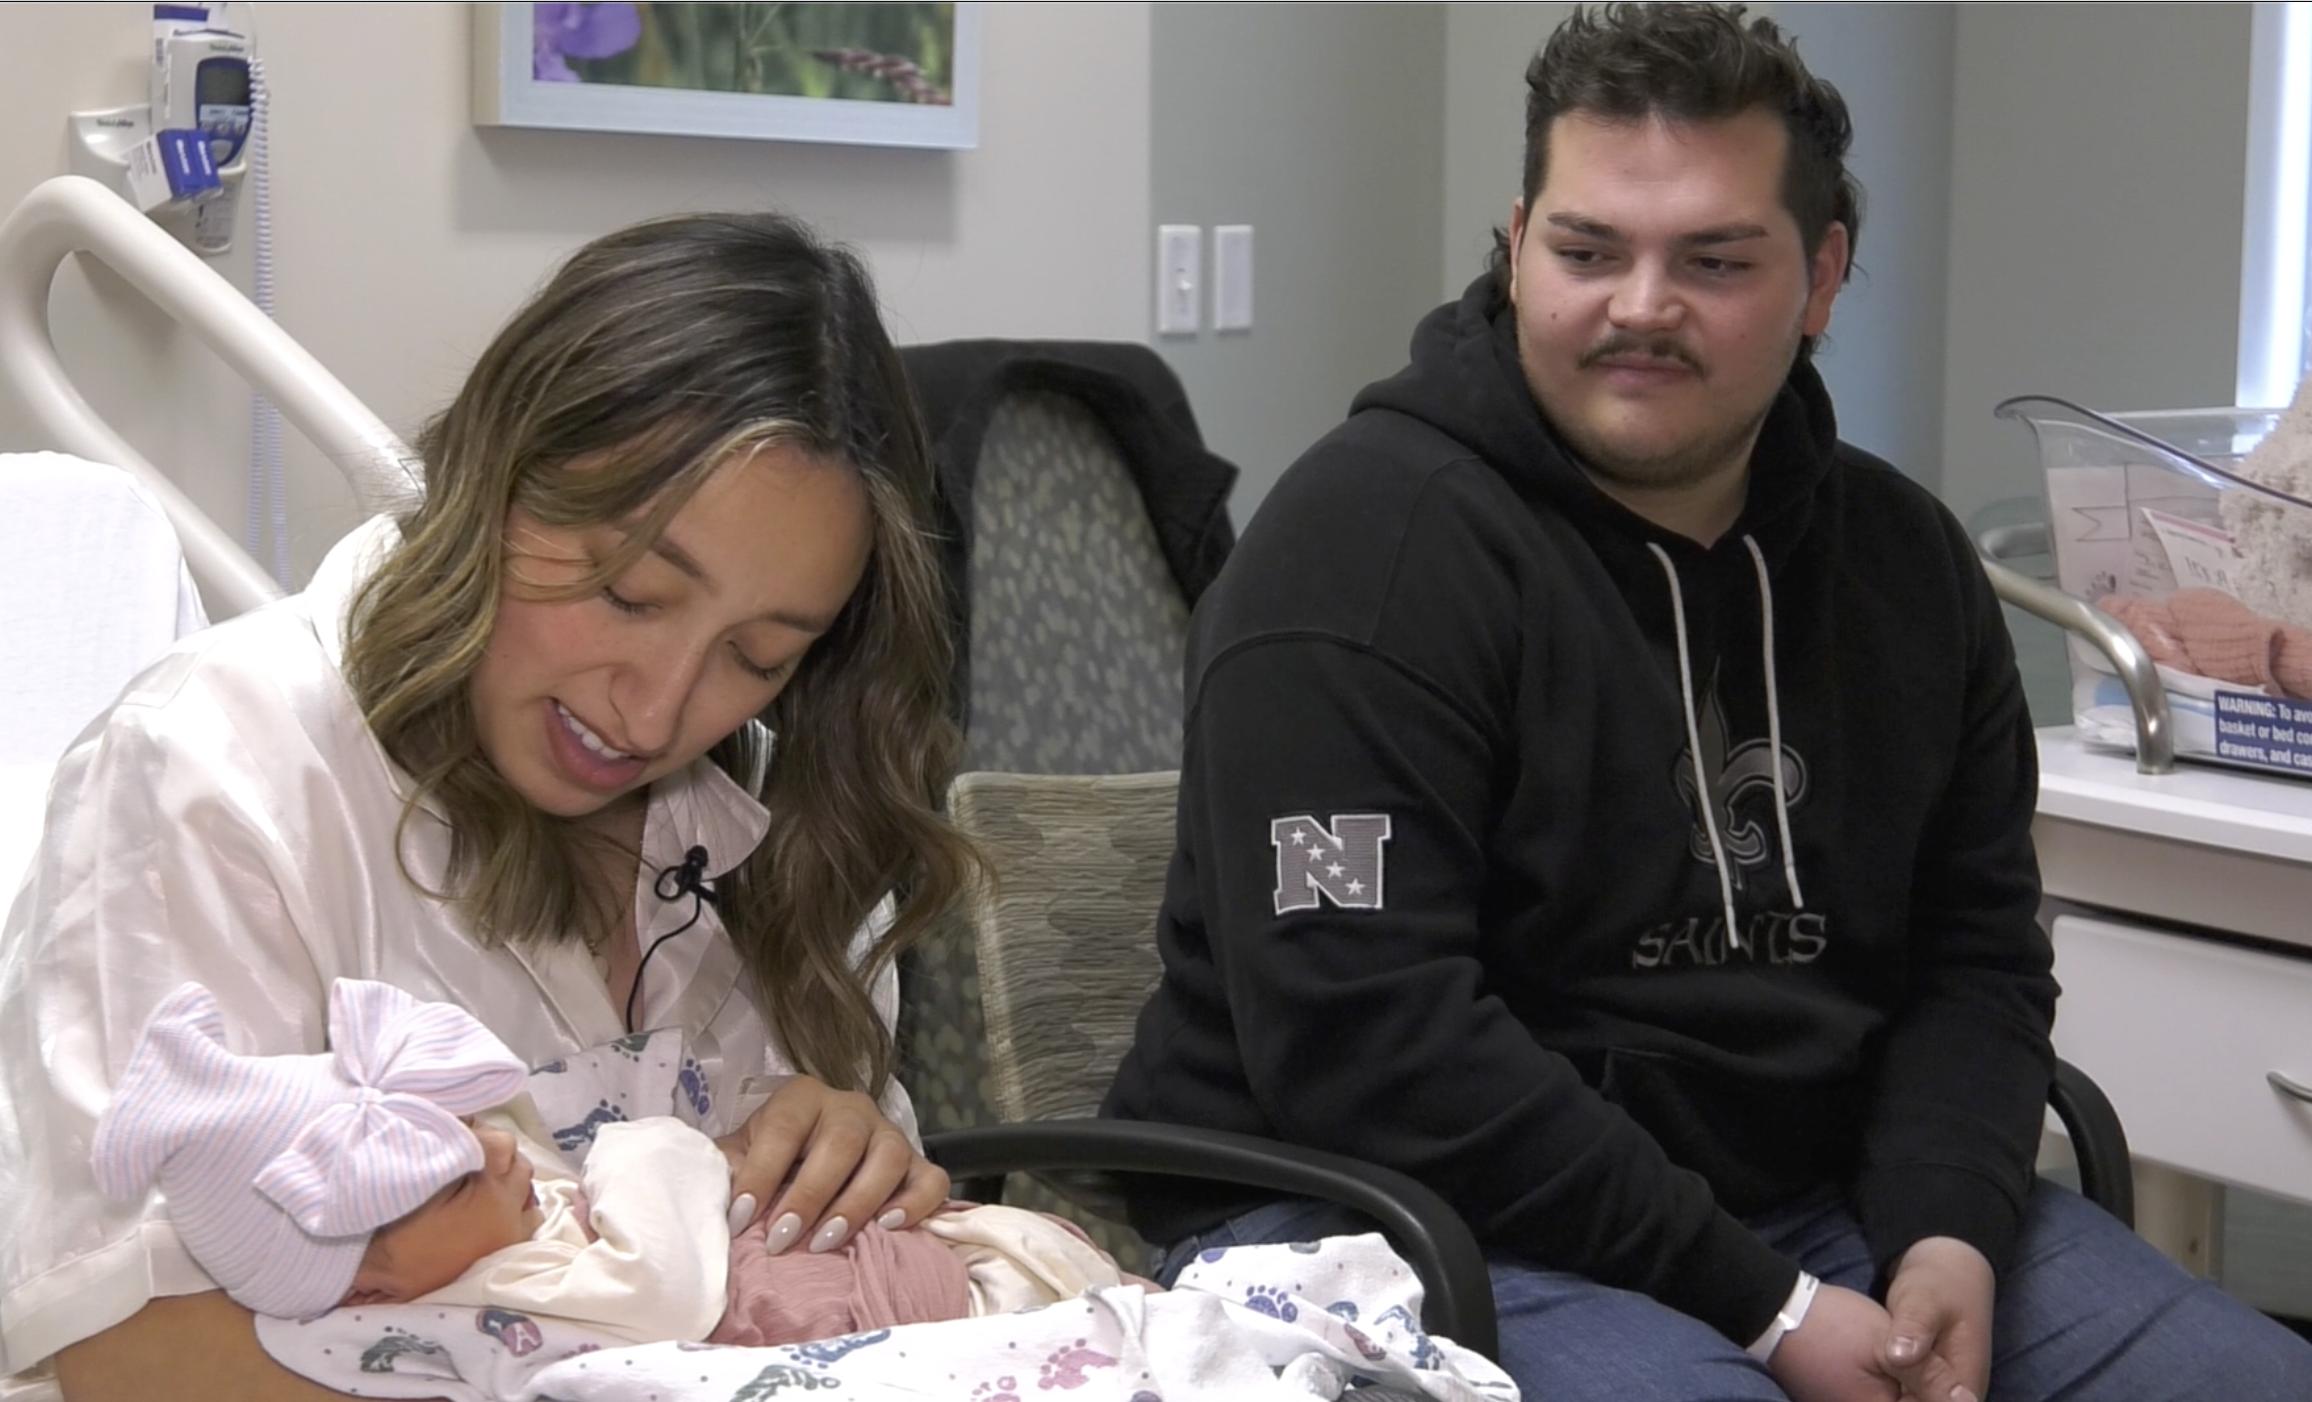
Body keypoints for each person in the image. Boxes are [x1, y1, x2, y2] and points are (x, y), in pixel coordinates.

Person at [1102, 6, 2312, 1401]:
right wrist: (1768, 1307)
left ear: (1822, 275)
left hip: (1803, 1201)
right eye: (1585, 251)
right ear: (1516, 244)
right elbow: (1368, 1043)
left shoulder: (1906, 564)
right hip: (1373, 1212)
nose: (1639, 306)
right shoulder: (1358, 555)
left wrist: (1947, 1230)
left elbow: (1973, 963)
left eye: (1714, 261)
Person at [0, 209, 977, 1400]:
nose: (657, 709)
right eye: (630, 593)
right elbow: (135, 1355)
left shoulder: (779, 821)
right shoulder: (214, 772)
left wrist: (857, 1166)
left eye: (756, 655)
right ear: (497, 477)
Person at [89, 977, 1128, 1376]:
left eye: (469, 1125)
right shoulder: (489, 1299)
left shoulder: (480, 1233)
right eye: (450, 1180)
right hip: (899, 1322)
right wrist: (644, 1147)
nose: (498, 1149)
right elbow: (660, 1294)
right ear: (368, 1291)